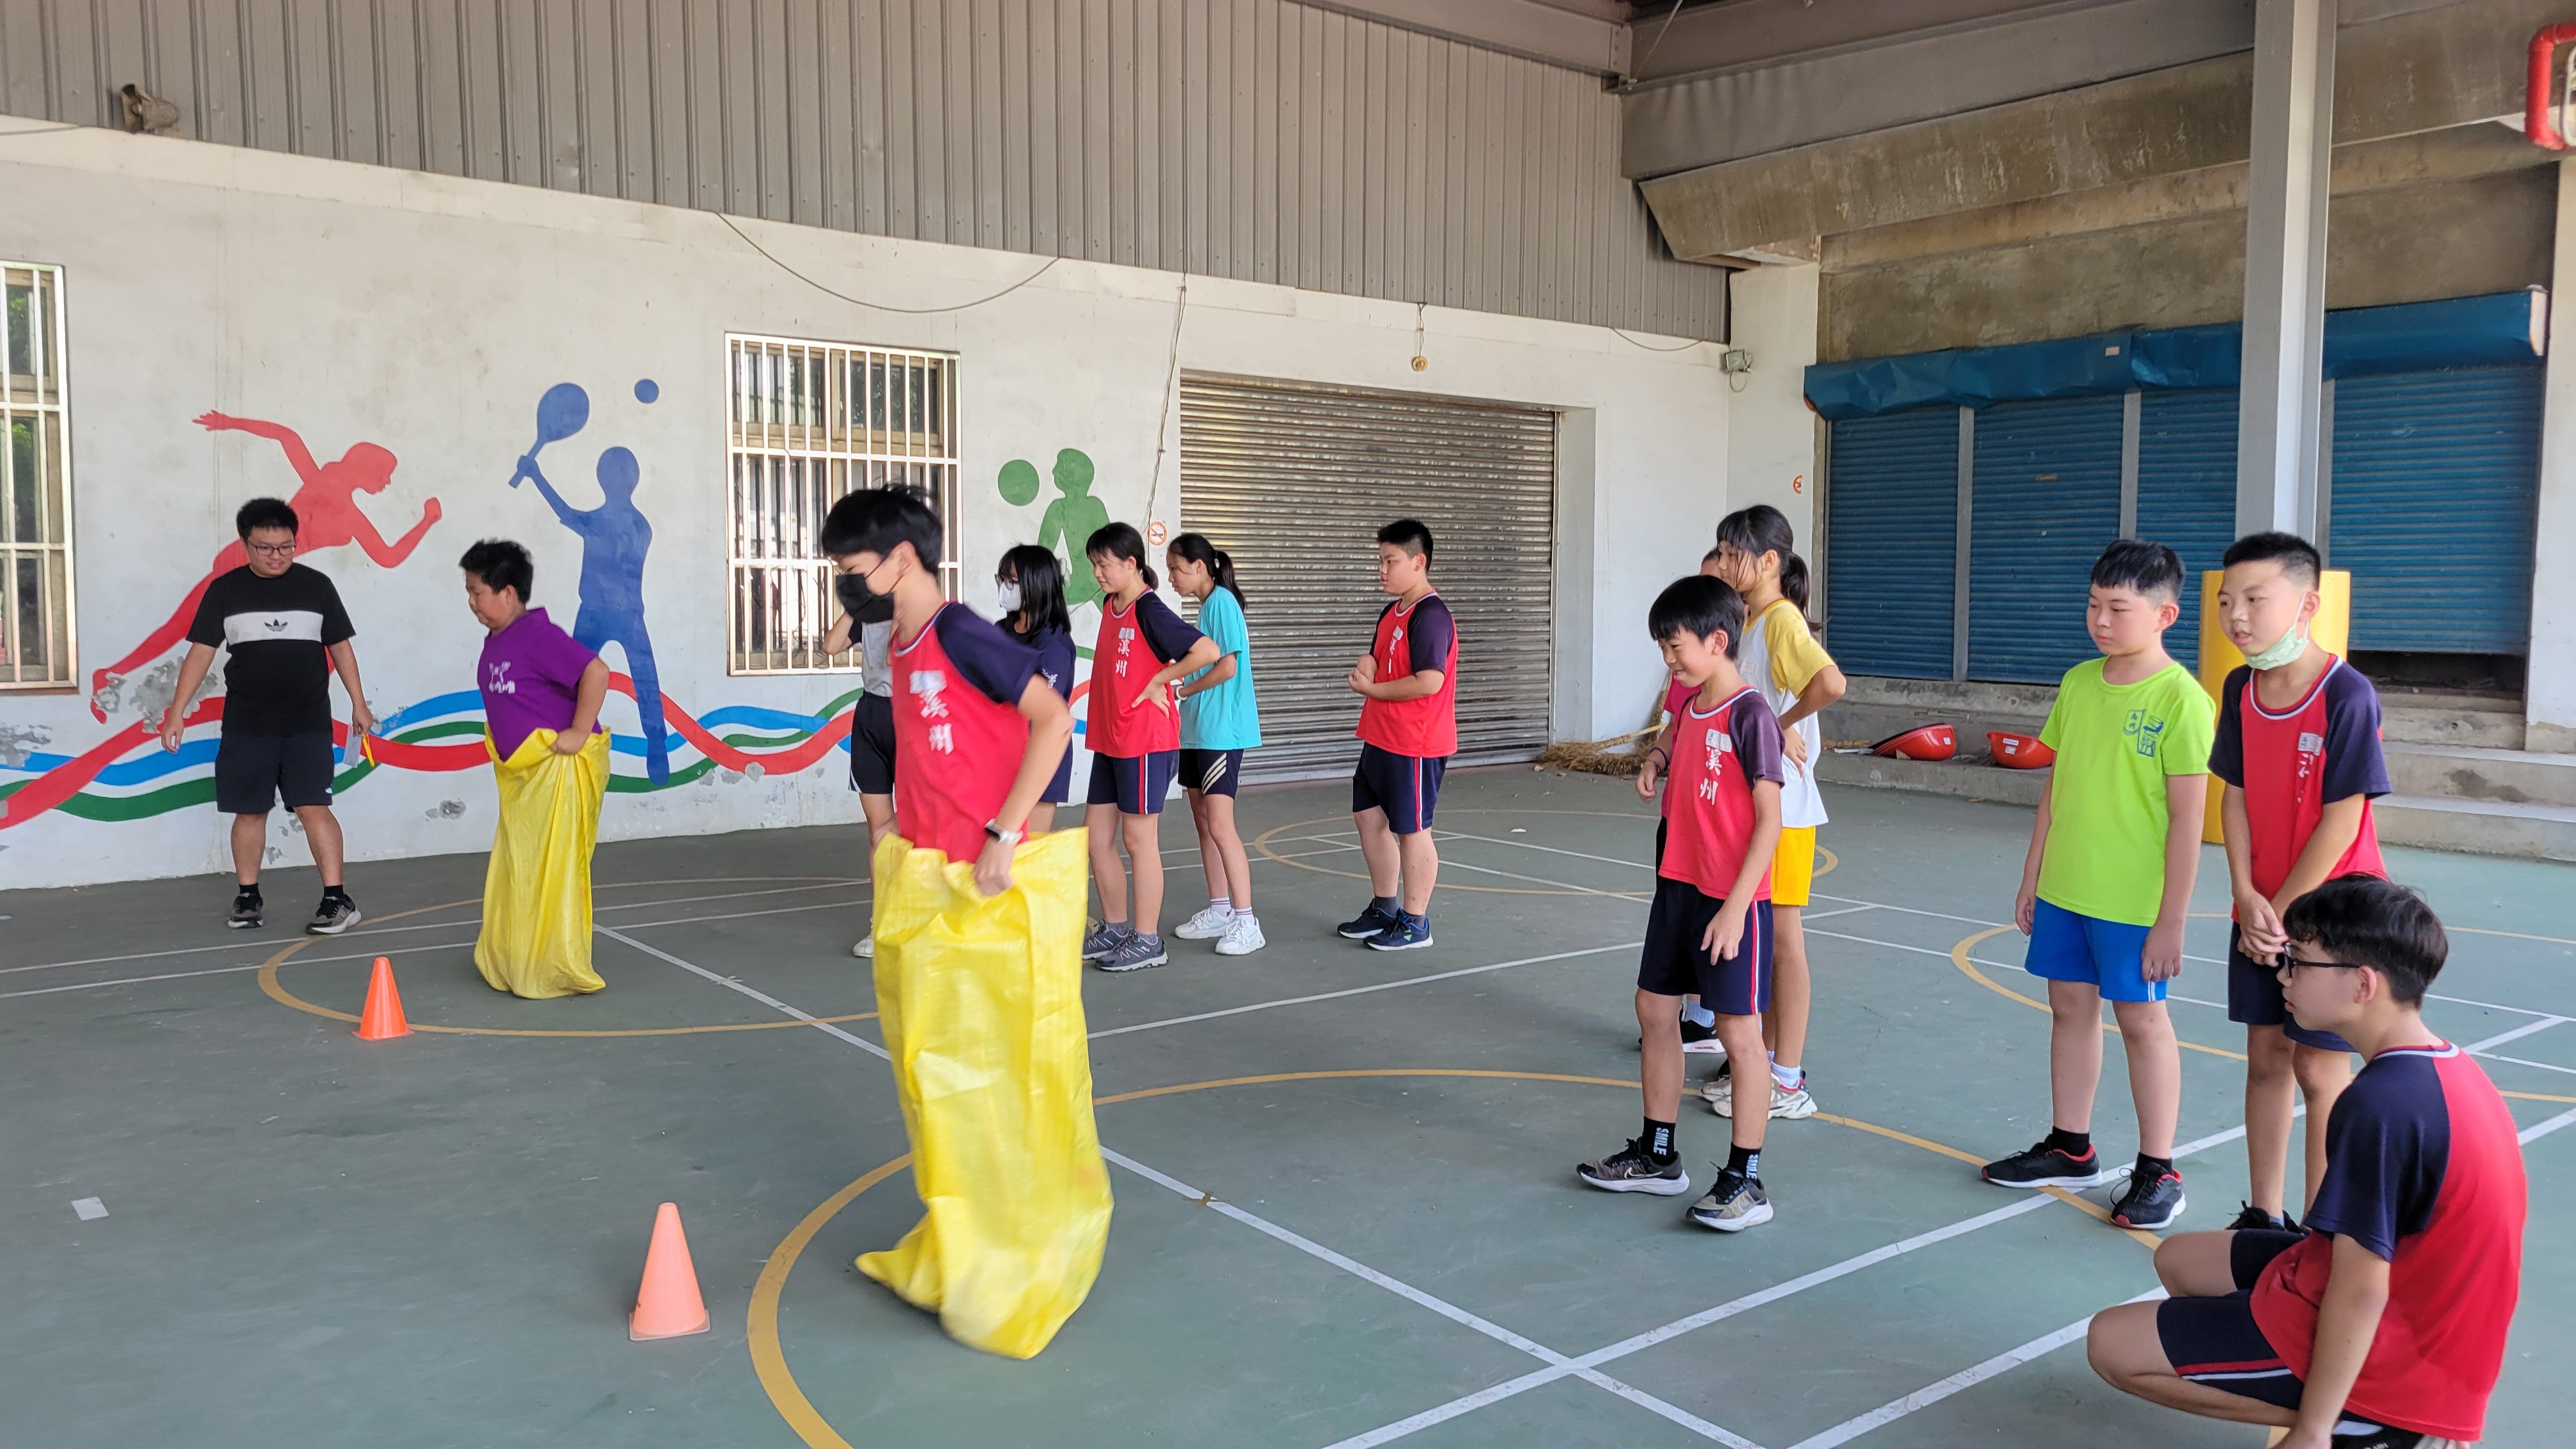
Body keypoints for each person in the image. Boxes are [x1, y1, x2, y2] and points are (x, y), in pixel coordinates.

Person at [2087, 875, 2524, 1449]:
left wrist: (2313, 1429)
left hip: (2401, 1350)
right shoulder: (2443, 1069)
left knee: (2110, 1343)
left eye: (2299, 962)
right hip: (2420, 1313)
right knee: (2180, 1259)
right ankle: (2283, 1368)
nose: (2282, 975)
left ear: (2363, 984)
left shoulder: (2380, 1105)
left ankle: (2363, 1420)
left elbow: (2362, 1287)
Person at [1982, 538, 2213, 1231]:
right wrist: (2033, 874)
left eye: (2119, 608)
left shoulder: (2182, 700)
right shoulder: (2080, 682)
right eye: (2093, 605)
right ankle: (2070, 1145)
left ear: (2165, 614)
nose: (2101, 620)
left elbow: (2187, 820)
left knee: (2142, 1022)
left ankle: (2158, 1167)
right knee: (2069, 1012)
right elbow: (2059, 784)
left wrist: (2172, 920)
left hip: (2132, 901)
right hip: (2066, 889)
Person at [1578, 574, 1784, 1232]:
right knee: (1653, 1009)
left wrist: (1735, 905)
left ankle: (1745, 1178)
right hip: (1678, 886)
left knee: (1737, 1032)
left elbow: (1770, 821)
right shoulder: (1690, 706)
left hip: (1733, 902)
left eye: (1675, 648)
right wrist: (1656, 759)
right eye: (1664, 650)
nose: (1669, 661)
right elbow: (1680, 749)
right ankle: (1659, 1154)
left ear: (1717, 640)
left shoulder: (1750, 714)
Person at [2212, 532, 2389, 1232]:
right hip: (2259, 911)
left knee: (2321, 1076)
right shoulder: (2238, 687)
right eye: (2228, 600)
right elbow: (2233, 795)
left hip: (2331, 920)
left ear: (2308, 603)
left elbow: (2341, 823)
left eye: (2256, 599)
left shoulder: (2347, 695)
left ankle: (2321, 1231)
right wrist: (2246, 895)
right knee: (2265, 1062)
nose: (2238, 616)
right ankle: (2264, 1213)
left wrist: (2280, 913)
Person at [94, 412, 439, 719]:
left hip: (265, 568)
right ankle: (127, 682)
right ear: (368, 467)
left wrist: (232, 423)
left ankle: (114, 673)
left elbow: (287, 436)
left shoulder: (329, 488)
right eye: (386, 474)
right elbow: (388, 556)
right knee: (196, 632)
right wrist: (427, 520)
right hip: (249, 563)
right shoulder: (338, 500)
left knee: (313, 645)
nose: (388, 482)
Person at [819, 487, 1073, 887]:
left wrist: (1004, 835)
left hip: (984, 872)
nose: (846, 584)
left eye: (851, 570)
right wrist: (899, 825)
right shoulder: (903, 644)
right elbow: (937, 761)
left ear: (902, 558)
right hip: (933, 866)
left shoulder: (959, 632)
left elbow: (1056, 720)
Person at [158, 498, 377, 935]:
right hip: (247, 724)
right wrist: (176, 712)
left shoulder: (318, 587)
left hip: (307, 723)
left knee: (315, 806)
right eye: (265, 548)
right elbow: (200, 654)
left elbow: (340, 648)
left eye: (285, 547)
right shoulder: (225, 591)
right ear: (246, 545)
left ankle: (336, 900)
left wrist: (359, 702)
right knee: (250, 811)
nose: (276, 556)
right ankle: (248, 897)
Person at [1704, 505, 1844, 1123]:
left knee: (1783, 942)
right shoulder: (1752, 620)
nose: (1727, 564)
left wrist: (1778, 726)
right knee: (1764, 942)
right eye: (1722, 553)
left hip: (1785, 811)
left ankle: (1787, 1075)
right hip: (1757, 807)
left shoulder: (1782, 620)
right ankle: (1759, 1062)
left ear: (1767, 562)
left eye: (1735, 554)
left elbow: (1831, 684)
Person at [461, 539, 613, 999]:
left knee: (552, 872)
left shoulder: (537, 635)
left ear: (508, 593)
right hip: (525, 778)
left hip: (558, 773)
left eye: (477, 592)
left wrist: (579, 732)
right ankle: (518, 955)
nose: (472, 603)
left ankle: (552, 966)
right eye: (468, 592)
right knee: (521, 869)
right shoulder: (498, 640)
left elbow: (597, 672)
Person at [1080, 523, 1220, 973]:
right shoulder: (1111, 604)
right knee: (1096, 839)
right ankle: (1117, 928)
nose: (1098, 573)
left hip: (1143, 741)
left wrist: (1163, 678)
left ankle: (1147, 939)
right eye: (1094, 565)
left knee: (1139, 840)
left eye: (1105, 565)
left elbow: (1207, 651)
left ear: (1131, 564)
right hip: (1110, 739)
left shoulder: (1150, 610)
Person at [516, 443, 671, 785]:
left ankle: (655, 744)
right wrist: (537, 476)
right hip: (606, 612)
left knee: (636, 679)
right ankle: (571, 737)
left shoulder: (618, 524)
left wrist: (536, 475)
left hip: (617, 613)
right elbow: (567, 512)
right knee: (576, 678)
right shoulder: (633, 524)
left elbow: (566, 512)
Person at [1337, 520, 1457, 953]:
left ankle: (1415, 922)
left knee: (1413, 830)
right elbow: (1374, 655)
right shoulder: (1392, 612)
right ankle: (1385, 908)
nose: (1382, 570)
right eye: (1381, 561)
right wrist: (1366, 667)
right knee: (1369, 818)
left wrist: (1372, 690)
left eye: (1390, 561)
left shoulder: (1431, 614)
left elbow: (1429, 681)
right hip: (1380, 738)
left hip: (1416, 742)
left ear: (1418, 561)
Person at [1637, 548, 1734, 1057]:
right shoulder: (1688, 683)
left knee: (1723, 948)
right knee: (1659, 982)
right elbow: (1679, 725)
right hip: (1679, 828)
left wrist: (1783, 731)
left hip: (1720, 851)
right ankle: (1692, 1015)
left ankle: (1719, 1025)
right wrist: (1656, 757)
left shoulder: (1743, 702)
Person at [1165, 533, 1266, 958]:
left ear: (1200, 567)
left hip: (1221, 731)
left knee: (1221, 825)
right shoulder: (1207, 607)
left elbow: (1227, 667)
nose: (1171, 577)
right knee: (1204, 823)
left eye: (1176, 568)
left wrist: (1183, 692)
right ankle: (1221, 909)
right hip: (1198, 731)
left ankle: (1247, 921)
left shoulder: (1222, 603)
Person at [822, 570, 898, 958]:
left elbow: (891, 654)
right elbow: (831, 644)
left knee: (921, 824)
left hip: (911, 716)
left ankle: (927, 916)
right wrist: (856, 604)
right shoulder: (866, 609)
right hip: (871, 714)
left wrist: (893, 606)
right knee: (878, 831)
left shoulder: (912, 603)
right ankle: (883, 923)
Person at [996, 544, 1078, 836]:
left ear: (1037, 584)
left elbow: (1047, 711)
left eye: (1012, 581)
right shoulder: (1000, 631)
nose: (1005, 587)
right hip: (1001, 751)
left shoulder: (1054, 643)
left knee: (1029, 844)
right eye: (1002, 579)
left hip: (1041, 751)